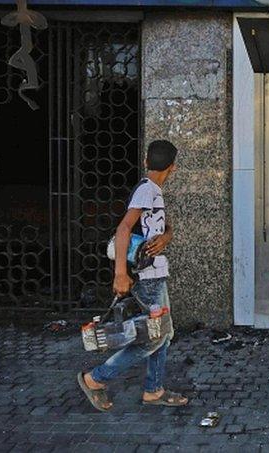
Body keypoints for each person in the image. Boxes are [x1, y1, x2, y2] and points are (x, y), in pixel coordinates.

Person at [77, 140, 186, 412]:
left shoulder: (154, 192)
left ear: (147, 162)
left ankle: (154, 389)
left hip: (156, 274)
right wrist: (120, 274)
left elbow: (162, 227)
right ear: (173, 167)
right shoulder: (146, 190)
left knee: (163, 332)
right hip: (147, 277)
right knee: (155, 337)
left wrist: (166, 237)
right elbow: (124, 229)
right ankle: (96, 379)